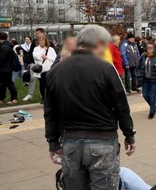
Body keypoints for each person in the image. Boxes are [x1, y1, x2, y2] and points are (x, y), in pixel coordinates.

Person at [44, 25, 136, 190]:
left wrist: (52, 142)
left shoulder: (55, 72)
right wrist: (129, 135)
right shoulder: (107, 68)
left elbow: (50, 112)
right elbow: (121, 105)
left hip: (70, 142)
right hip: (103, 141)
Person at [26, 35, 57, 103]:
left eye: (42, 40)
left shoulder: (51, 49)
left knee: (49, 84)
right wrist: (43, 50)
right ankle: (43, 98)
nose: (41, 41)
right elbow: (36, 57)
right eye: (39, 40)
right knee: (42, 84)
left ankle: (50, 98)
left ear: (46, 41)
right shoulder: (36, 48)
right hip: (40, 70)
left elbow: (54, 58)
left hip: (49, 69)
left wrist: (47, 58)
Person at [0, 32, 19, 105]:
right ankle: (1, 98)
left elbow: (1, 59)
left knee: (9, 84)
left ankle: (14, 98)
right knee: (3, 84)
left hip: (5, 68)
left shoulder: (5, 47)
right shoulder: (6, 45)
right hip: (5, 68)